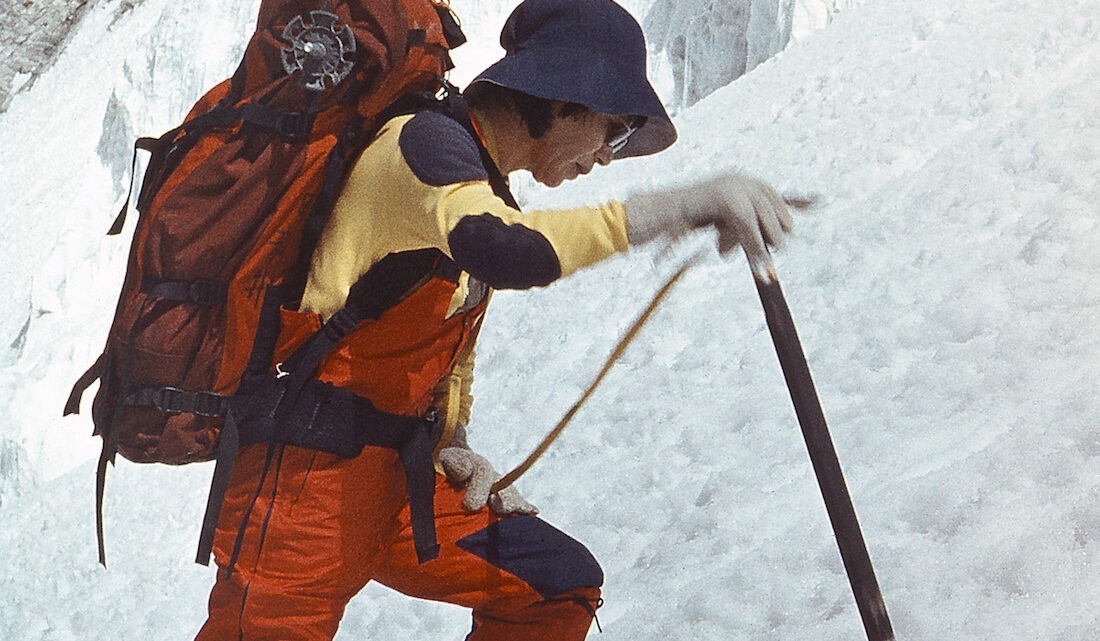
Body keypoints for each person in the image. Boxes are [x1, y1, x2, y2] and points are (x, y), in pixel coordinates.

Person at [195, 0, 792, 639]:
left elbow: (444, 334)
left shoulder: (475, 178)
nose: (609, 156)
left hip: (395, 480)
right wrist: (681, 208)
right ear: (564, 96)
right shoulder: (425, 145)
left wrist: (452, 440)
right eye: (613, 130)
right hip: (302, 489)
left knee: (555, 586)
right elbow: (510, 251)